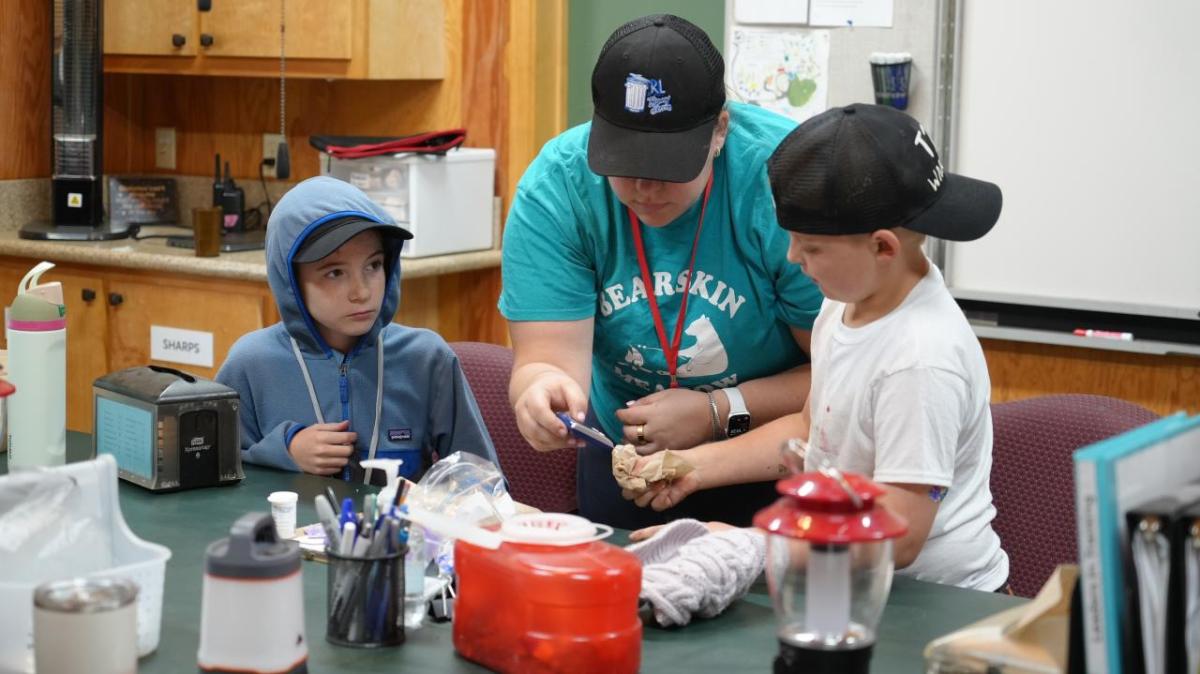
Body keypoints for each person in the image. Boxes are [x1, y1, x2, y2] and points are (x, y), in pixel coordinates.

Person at [626, 104, 1010, 591]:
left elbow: (903, 534)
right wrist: (692, 467)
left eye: (811, 247)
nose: (792, 257)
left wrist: (754, 547)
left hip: (936, 602)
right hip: (851, 579)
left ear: (883, 247)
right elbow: (813, 427)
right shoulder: (844, 302)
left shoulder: (919, 359)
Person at [499, 14, 823, 529]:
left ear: (720, 130)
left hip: (777, 458)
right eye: (623, 164)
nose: (644, 189)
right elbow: (547, 361)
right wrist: (540, 391)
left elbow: (839, 378)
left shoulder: (787, 179)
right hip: (631, 463)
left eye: (668, 167)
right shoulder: (557, 188)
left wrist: (716, 409)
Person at [217, 176, 499, 484]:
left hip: (396, 532)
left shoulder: (426, 358)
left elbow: (483, 480)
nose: (362, 291)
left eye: (373, 266)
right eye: (335, 272)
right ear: (290, 281)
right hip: (281, 530)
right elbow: (210, 473)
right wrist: (284, 451)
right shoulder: (251, 363)